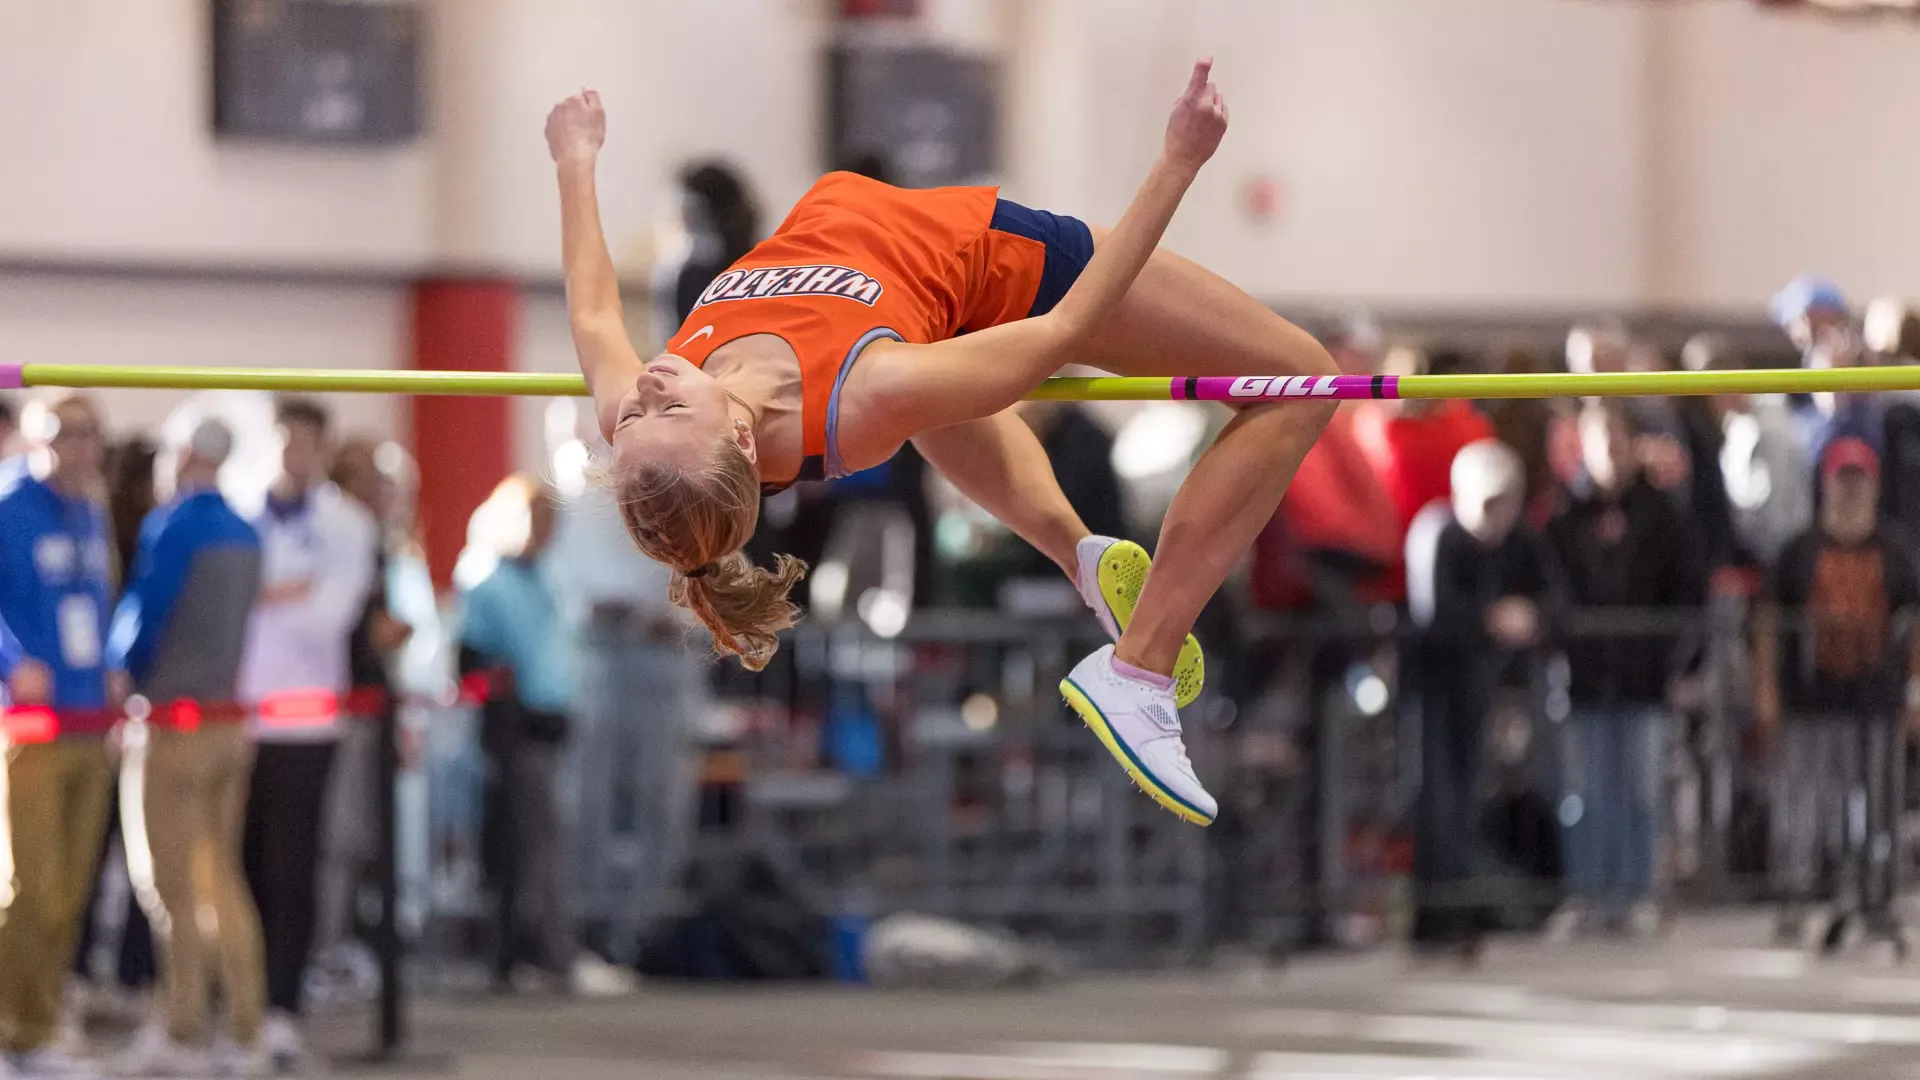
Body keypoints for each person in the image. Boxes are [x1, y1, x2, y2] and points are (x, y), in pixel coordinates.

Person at [547, 60, 1338, 825]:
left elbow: (590, 313)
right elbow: (1064, 329)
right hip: (1017, 271)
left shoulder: (669, 408)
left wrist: (575, 160)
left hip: (921, 311)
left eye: (636, 422)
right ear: (744, 442)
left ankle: (1077, 554)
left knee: (933, 394)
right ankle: (1141, 667)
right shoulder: (865, 391)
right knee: (1304, 382)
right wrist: (1178, 162)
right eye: (670, 413)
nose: (647, 392)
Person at [103, 419, 270, 1077]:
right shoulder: (247, 531)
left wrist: (123, 675)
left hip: (174, 726)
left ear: (187, 456)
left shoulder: (173, 527)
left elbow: (144, 618)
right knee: (221, 878)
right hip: (229, 725)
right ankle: (247, 1028)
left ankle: (184, 1027)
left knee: (166, 882)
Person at [236, 398, 377, 1070]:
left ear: (321, 450)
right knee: (236, 867)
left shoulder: (347, 523)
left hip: (308, 721)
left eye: (304, 444)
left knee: (294, 871)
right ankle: (237, 1004)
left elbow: (331, 613)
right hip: (235, 720)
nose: (293, 455)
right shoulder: (237, 514)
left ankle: (284, 1008)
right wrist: (285, 590)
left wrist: (268, 595)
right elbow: (228, 609)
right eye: (282, 442)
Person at [459, 476, 631, 996]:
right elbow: (471, 662)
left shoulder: (546, 581)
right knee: (537, 847)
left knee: (534, 846)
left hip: (550, 726)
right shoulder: (489, 585)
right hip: (517, 731)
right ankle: (549, 955)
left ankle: (524, 955)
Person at [1544, 399, 1707, 941]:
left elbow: (1689, 591)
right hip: (1583, 678)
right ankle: (1588, 893)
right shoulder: (1564, 516)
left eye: (1618, 439)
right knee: (1583, 793)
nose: (1610, 452)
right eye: (1600, 440)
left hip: (1644, 676)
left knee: (1641, 789)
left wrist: (1680, 660)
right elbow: (1551, 592)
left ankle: (1638, 893)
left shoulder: (1663, 514)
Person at [1755, 437, 1920, 950]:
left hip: (1878, 700)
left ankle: (1875, 899)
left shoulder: (1896, 551)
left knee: (1878, 808)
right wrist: (1766, 688)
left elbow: (1915, 625)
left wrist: (1915, 690)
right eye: (1841, 481)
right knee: (1805, 806)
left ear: (1872, 486)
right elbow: (1767, 623)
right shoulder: (1796, 552)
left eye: (1859, 481)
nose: (1849, 492)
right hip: (1812, 700)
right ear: (1826, 484)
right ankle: (1798, 898)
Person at [0, 396, 124, 1077]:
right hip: (29, 727)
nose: (80, 449)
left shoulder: (90, 510)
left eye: (90, 436)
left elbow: (98, 602)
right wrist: (15, 664)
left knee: (71, 887)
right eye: (66, 435)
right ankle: (10, 1026)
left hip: (87, 721)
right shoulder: (8, 505)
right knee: (28, 885)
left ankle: (37, 1029)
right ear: (38, 438)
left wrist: (108, 668)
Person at [1412, 440, 1564, 958]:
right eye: (1488, 504)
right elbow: (1437, 614)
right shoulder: (1440, 535)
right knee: (1438, 802)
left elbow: (1553, 597)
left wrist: (1530, 616)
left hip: (1487, 695)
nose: (1497, 517)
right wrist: (1493, 619)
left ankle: (1466, 912)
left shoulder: (1518, 540)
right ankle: (1437, 918)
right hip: (1433, 694)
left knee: (1469, 803)